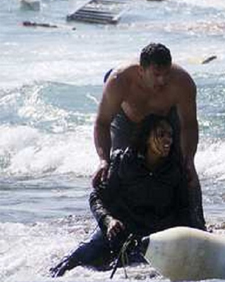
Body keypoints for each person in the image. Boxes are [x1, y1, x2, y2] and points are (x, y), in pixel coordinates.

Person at [51, 115, 195, 277]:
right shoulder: (123, 161)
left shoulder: (175, 170)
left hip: (151, 237)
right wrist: (108, 221)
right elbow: (96, 197)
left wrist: (185, 243)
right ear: (146, 138)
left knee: (135, 272)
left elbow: (184, 210)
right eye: (161, 134)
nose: (167, 140)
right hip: (117, 231)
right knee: (71, 263)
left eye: (170, 135)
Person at [92, 43, 205, 229]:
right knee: (117, 169)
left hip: (166, 119)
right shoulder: (119, 80)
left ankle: (196, 225)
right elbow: (102, 122)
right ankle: (111, 226)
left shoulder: (182, 82)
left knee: (184, 171)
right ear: (141, 71)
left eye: (166, 74)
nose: (162, 81)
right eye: (156, 75)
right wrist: (103, 159)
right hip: (128, 120)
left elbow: (189, 125)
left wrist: (189, 160)